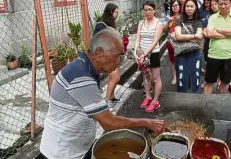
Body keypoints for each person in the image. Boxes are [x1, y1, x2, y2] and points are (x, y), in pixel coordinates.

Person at [40, 28, 165, 159]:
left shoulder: (86, 67)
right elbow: (108, 122)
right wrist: (148, 122)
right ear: (99, 54)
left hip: (74, 148)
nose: (118, 62)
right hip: (61, 153)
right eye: (117, 56)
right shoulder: (81, 77)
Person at [203, 0, 231, 94]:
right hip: (213, 55)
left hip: (229, 55)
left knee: (225, 82)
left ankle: (221, 104)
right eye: (220, 4)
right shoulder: (212, 18)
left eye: (226, 4)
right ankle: (205, 105)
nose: (223, 6)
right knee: (209, 82)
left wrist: (218, 30)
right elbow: (210, 33)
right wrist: (229, 33)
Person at [134, 1, 164, 113]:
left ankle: (155, 101)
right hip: (142, 54)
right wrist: (135, 53)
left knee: (156, 78)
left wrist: (143, 54)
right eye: (145, 10)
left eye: (150, 9)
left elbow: (155, 42)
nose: (147, 12)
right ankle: (148, 96)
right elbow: (137, 39)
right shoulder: (141, 23)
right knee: (145, 76)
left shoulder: (158, 24)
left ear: (154, 10)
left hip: (153, 54)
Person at [94, 3, 122, 108]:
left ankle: (111, 96)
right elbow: (97, 40)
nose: (117, 14)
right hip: (106, 56)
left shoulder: (110, 23)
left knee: (112, 77)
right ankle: (106, 100)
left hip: (112, 54)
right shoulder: (101, 24)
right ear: (110, 12)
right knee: (115, 77)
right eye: (116, 12)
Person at [174, 0, 204, 93]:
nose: (189, 8)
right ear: (184, 7)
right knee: (181, 79)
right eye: (187, 6)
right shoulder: (179, 19)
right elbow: (178, 36)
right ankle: (181, 100)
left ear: (195, 7)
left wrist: (183, 37)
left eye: (192, 6)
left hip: (196, 53)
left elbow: (199, 37)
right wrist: (194, 36)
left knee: (195, 78)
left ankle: (194, 100)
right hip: (181, 53)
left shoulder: (199, 21)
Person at [201, 0, 219, 89]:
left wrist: (212, 33)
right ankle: (206, 81)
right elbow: (205, 32)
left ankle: (219, 82)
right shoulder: (208, 17)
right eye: (212, 5)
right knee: (209, 64)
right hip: (209, 45)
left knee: (221, 65)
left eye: (215, 4)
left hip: (222, 47)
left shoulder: (225, 17)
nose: (213, 6)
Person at [164, 0, 182, 85]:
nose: (175, 7)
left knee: (182, 59)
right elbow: (164, 30)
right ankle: (175, 76)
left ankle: (182, 75)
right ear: (171, 7)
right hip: (171, 41)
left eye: (176, 5)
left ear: (180, 6)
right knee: (172, 60)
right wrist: (168, 21)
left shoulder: (183, 16)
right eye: (173, 6)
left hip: (182, 41)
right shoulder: (168, 16)